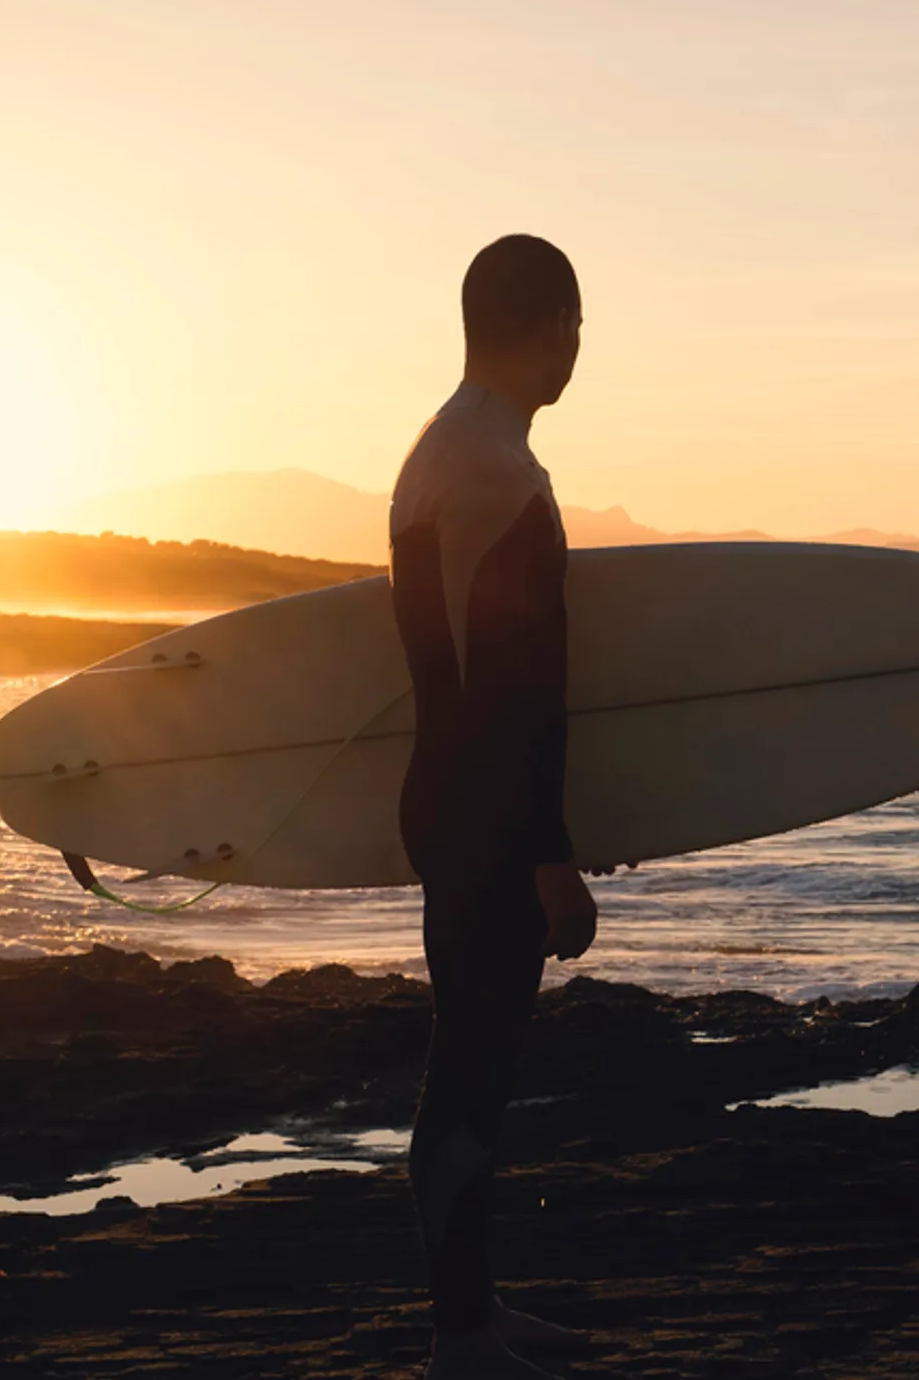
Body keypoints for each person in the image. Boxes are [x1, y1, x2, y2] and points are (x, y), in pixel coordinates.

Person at [388, 234, 600, 1379]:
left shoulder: (444, 447)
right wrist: (547, 856)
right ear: (548, 324)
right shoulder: (499, 476)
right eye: (577, 326)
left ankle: (472, 1313)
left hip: (451, 801)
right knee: (469, 1079)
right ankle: (461, 1338)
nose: (579, 350)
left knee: (468, 1074)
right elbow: (511, 687)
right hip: (487, 820)